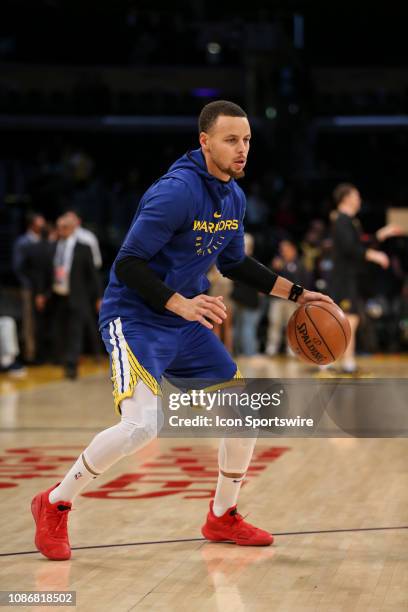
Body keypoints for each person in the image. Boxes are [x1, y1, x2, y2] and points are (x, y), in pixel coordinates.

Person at [31, 100, 332, 560]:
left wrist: (298, 294)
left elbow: (233, 263)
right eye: (231, 139)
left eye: (247, 139)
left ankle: (222, 516)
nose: (242, 149)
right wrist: (181, 303)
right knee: (141, 427)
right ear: (204, 141)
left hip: (184, 320)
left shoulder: (233, 195)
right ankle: (54, 503)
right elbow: (128, 264)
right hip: (134, 318)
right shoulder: (175, 192)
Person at [329, 183, 400, 373]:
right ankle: (341, 360)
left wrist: (381, 234)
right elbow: (350, 248)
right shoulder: (341, 220)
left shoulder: (351, 221)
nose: (359, 200)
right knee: (348, 318)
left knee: (351, 318)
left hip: (352, 278)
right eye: (356, 196)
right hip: (343, 278)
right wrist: (374, 255)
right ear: (346, 198)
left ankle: (343, 360)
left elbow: (360, 242)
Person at [48, 215, 102, 379]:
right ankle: (62, 359)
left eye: (63, 227)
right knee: (60, 330)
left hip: (78, 295)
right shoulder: (54, 246)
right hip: (58, 294)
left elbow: (93, 275)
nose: (60, 230)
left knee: (75, 331)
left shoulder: (83, 248)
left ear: (72, 228)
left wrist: (99, 296)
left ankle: (72, 366)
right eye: (59, 227)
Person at [266, 239, 310, 356]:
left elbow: (303, 281)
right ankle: (272, 348)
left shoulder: (300, 264)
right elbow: (269, 279)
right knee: (274, 323)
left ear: (293, 250)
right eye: (282, 250)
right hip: (277, 299)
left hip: (293, 300)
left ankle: (291, 348)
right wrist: (275, 268)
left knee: (291, 325)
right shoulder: (277, 262)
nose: (283, 252)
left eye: (285, 249)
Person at [12, 213, 46, 362]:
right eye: (39, 224)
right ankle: (29, 354)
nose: (42, 226)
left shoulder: (43, 240)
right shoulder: (23, 242)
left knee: (41, 321)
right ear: (32, 225)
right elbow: (18, 267)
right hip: (29, 288)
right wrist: (28, 284)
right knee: (29, 321)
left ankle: (41, 352)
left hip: (42, 287)